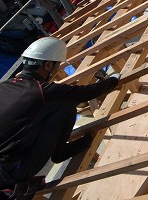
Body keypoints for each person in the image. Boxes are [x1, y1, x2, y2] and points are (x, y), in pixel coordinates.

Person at [0, 38, 119, 199]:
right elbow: (86, 93)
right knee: (66, 105)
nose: (56, 70)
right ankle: (60, 152)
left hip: (6, 164)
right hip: (13, 172)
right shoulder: (42, 91)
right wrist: (114, 80)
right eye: (57, 65)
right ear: (47, 65)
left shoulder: (4, 86)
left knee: (41, 112)